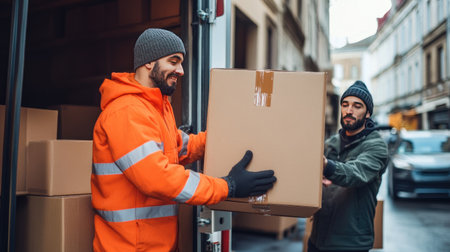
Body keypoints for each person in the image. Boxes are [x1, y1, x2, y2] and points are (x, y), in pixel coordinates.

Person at [91, 28, 277, 251]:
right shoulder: (127, 112)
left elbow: (182, 148)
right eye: (174, 61)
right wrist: (228, 186)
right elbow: (158, 178)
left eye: (181, 63)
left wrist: (233, 136)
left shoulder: (156, 109)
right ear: (149, 62)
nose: (180, 70)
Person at [308, 80, 388, 252]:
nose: (349, 110)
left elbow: (355, 173)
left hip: (350, 244)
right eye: (345, 105)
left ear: (368, 113)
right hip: (317, 239)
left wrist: (327, 166)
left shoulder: (376, 146)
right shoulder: (331, 143)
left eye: (357, 106)